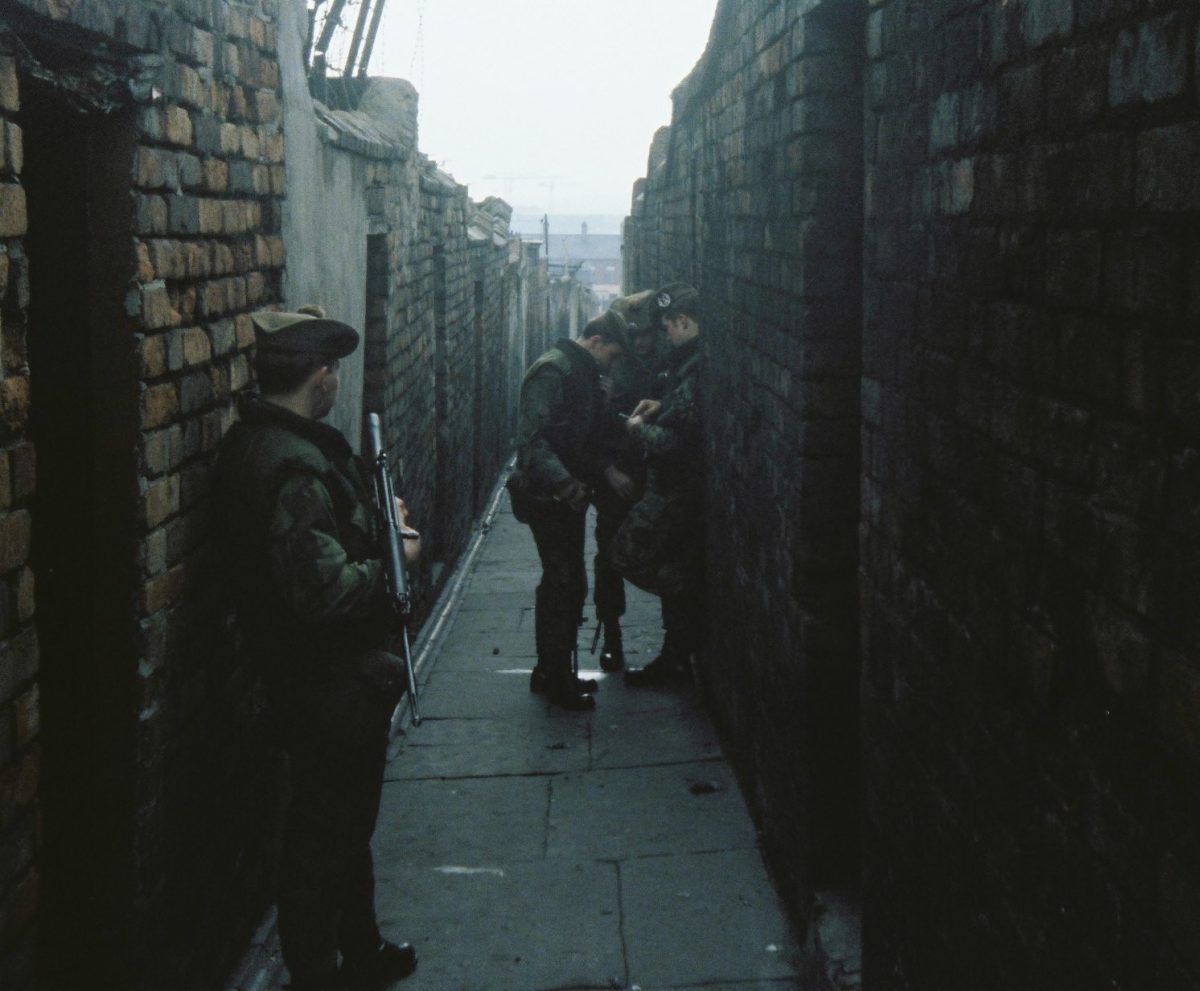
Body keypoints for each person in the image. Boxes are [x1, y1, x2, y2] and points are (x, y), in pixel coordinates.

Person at [212, 306, 419, 991]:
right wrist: (397, 561)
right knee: (322, 836)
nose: (336, 381)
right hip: (325, 679)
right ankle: (320, 973)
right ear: (319, 376)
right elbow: (323, 590)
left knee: (346, 823)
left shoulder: (271, 443)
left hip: (330, 678)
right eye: (333, 370)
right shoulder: (289, 463)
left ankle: (359, 950)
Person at [506, 310, 632, 710]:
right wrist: (564, 482)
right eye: (610, 354)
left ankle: (551, 669)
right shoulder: (553, 371)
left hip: (568, 497)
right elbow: (533, 441)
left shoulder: (582, 374)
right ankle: (558, 680)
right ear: (596, 341)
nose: (610, 363)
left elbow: (583, 435)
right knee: (562, 581)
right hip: (547, 496)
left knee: (568, 580)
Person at [611, 284, 705, 686]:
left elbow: (677, 441)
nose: (663, 338)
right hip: (675, 490)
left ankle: (679, 646)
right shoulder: (688, 361)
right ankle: (676, 652)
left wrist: (636, 430)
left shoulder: (698, 365)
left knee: (636, 557)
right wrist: (661, 406)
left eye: (667, 329)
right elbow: (684, 409)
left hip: (679, 491)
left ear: (683, 322)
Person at [590, 290, 670, 671]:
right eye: (633, 336)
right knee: (609, 557)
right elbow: (590, 430)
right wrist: (607, 470)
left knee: (669, 555)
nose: (640, 343)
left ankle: (674, 644)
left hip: (659, 474)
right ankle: (612, 636)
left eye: (646, 335)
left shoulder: (668, 363)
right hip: (617, 477)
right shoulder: (608, 368)